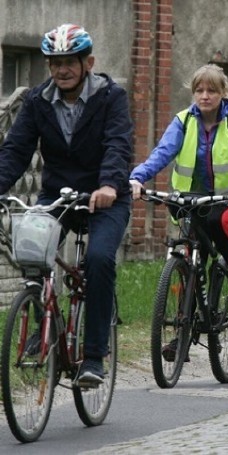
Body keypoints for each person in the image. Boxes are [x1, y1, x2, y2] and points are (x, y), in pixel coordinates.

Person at [0, 24, 133, 387]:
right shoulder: (37, 102)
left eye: (69, 62)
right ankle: (38, 328)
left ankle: (93, 357)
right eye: (55, 63)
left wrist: (108, 184)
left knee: (98, 259)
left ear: (87, 62)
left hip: (106, 198)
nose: (62, 70)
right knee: (32, 255)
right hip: (59, 195)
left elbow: (117, 145)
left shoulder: (111, 97)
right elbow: (15, 150)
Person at [130, 63, 228, 358]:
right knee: (191, 259)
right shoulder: (183, 121)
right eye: (199, 90)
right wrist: (138, 177)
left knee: (218, 221)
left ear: (223, 93)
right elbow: (163, 153)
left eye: (211, 91)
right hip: (191, 198)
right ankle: (182, 334)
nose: (204, 96)